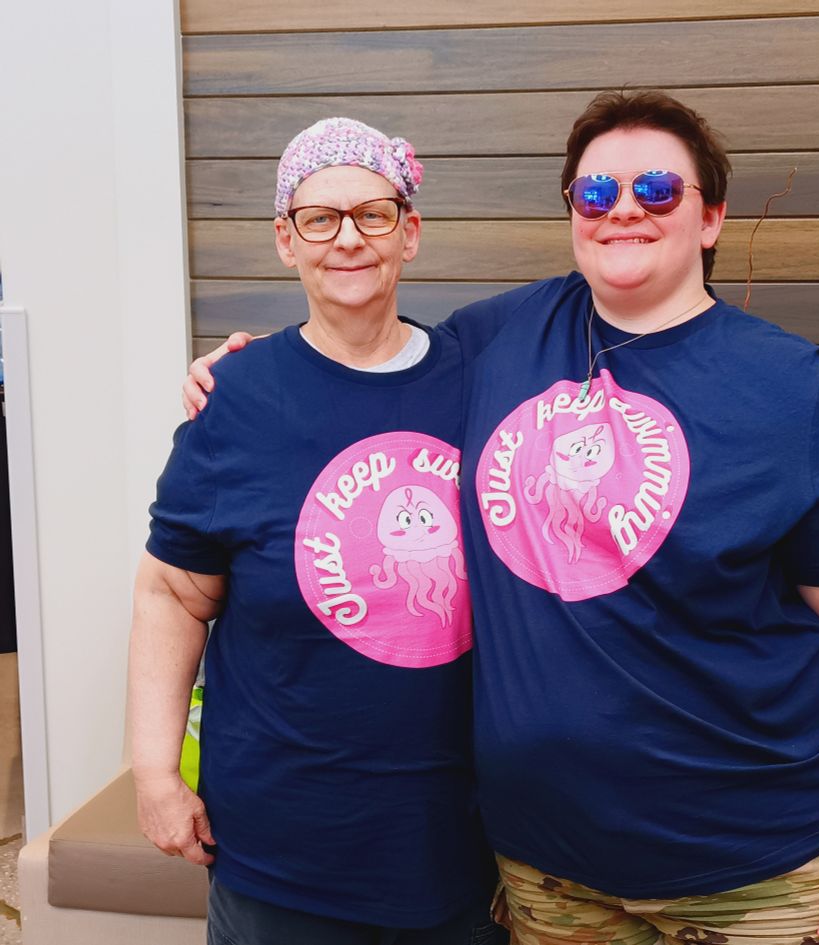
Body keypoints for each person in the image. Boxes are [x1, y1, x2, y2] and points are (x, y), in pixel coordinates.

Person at [185, 91, 819, 945]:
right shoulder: (496, 339)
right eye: (595, 192)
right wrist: (244, 377)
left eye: (656, 189)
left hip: (762, 872)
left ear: (710, 217)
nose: (623, 209)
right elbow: (364, 361)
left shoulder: (790, 389)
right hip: (549, 880)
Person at [129, 117, 503, 945]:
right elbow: (173, 592)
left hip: (460, 840)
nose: (348, 238)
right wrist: (154, 771)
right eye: (320, 218)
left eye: (373, 214)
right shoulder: (236, 397)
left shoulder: (484, 381)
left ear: (409, 232)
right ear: (285, 240)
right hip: (283, 848)